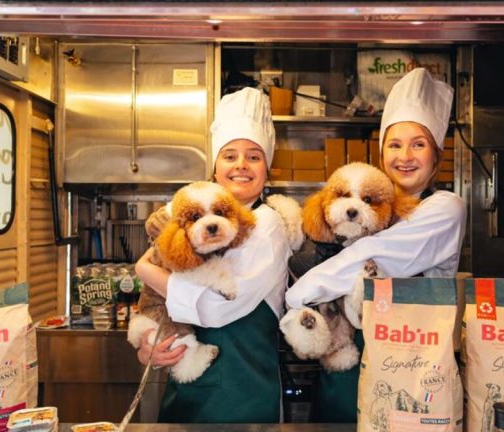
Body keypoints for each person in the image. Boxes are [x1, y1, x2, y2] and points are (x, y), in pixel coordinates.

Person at [285, 68, 467, 422]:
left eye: (419, 144)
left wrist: (298, 295)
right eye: (394, 145)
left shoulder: (445, 207)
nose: (405, 156)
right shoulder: (370, 211)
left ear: (435, 155)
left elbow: (369, 257)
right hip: (345, 367)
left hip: (412, 368)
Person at [134, 87, 293, 423]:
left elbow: (215, 308)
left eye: (254, 156)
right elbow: (154, 303)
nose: (241, 166)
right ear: (216, 166)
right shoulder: (188, 216)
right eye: (230, 155)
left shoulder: (267, 224)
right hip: (187, 387)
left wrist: (145, 270)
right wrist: (148, 346)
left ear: (267, 168)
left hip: (244, 396)